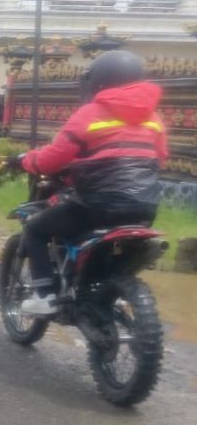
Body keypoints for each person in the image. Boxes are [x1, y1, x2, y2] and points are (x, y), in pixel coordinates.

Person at [13, 49, 169, 315]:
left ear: (98, 81)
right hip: (144, 208)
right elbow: (160, 159)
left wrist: (28, 160)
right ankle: (110, 289)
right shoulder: (154, 119)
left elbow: (52, 159)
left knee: (36, 229)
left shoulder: (91, 113)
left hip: (98, 205)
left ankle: (45, 297)